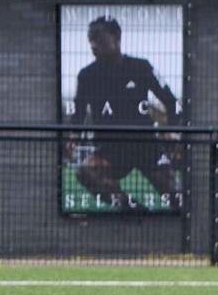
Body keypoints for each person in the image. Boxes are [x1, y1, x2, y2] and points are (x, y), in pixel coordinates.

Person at [67, 15, 185, 209]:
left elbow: (171, 102)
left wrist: (170, 131)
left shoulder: (141, 67)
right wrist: (73, 137)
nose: (94, 45)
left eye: (99, 39)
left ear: (116, 37)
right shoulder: (87, 76)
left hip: (145, 145)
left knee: (177, 198)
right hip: (110, 149)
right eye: (91, 41)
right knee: (85, 172)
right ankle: (133, 209)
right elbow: (78, 114)